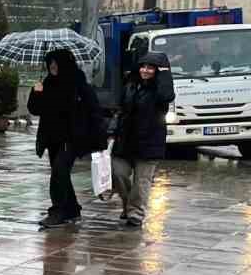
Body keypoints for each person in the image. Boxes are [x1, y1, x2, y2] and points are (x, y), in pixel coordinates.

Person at [27, 47, 104, 228]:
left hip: (72, 138)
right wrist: (36, 92)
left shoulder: (78, 84)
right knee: (60, 173)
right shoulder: (47, 83)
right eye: (50, 63)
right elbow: (35, 109)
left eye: (56, 62)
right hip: (52, 138)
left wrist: (99, 139)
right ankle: (72, 209)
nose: (52, 67)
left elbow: (94, 111)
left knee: (59, 172)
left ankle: (58, 212)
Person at [111, 51, 174, 228]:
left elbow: (167, 96)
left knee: (142, 182)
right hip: (125, 141)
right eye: (143, 66)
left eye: (150, 68)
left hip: (149, 143)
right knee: (119, 174)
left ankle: (136, 214)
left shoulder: (160, 90)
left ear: (158, 71)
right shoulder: (131, 86)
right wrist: (112, 130)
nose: (145, 70)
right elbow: (120, 109)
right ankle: (128, 206)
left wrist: (165, 73)